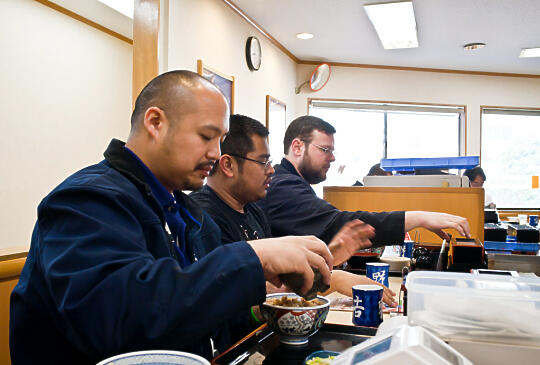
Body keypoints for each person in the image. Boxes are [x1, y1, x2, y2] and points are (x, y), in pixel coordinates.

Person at [9, 71, 333, 365]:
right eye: (206, 137)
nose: (217, 154)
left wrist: (262, 306)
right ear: (155, 122)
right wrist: (253, 256)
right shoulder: (86, 201)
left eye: (220, 139)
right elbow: (120, 321)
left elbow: (192, 314)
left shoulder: (187, 212)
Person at [190, 115, 396, 306]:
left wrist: (331, 256)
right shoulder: (202, 218)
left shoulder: (253, 211)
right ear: (228, 165)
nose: (271, 170)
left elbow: (278, 283)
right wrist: (334, 279)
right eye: (263, 162)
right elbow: (236, 299)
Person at [257, 115, 471, 246]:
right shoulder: (283, 185)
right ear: (297, 147)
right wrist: (420, 218)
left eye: (332, 151)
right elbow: (338, 225)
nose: (332, 157)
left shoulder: (291, 181)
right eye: (325, 150)